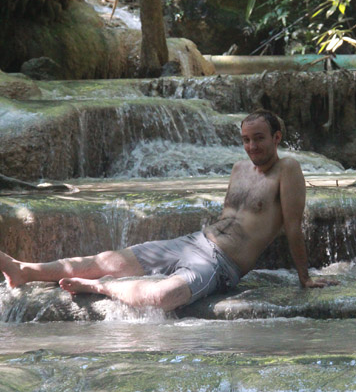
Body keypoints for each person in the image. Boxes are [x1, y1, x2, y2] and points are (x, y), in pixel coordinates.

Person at [0, 109, 337, 311]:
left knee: (166, 295)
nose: (252, 146)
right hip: (194, 243)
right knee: (107, 260)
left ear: (277, 137)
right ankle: (22, 270)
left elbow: (293, 226)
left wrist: (304, 277)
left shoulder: (288, 169)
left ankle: (98, 288)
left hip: (223, 266)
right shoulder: (239, 168)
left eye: (259, 138)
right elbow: (228, 220)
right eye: (246, 139)